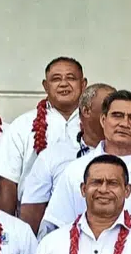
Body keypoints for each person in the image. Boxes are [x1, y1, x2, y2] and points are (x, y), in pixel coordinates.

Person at [41, 91, 131, 233]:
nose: (124, 124)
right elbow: (56, 225)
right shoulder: (77, 169)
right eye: (117, 116)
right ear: (103, 120)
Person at [0, 57, 87, 214]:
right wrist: (9, 228)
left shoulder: (96, 123)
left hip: (86, 213)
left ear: (83, 84)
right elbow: (8, 180)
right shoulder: (23, 124)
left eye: (71, 78)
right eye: (56, 79)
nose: (64, 84)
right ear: (45, 86)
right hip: (33, 215)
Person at [18, 82, 113, 231]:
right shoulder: (53, 156)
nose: (116, 115)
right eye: (109, 108)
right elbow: (32, 211)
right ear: (86, 111)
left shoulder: (127, 153)